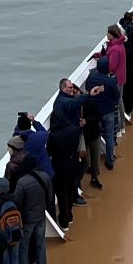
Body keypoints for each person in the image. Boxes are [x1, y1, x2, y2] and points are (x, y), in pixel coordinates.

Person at [46, 82, 85, 227]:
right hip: (72, 163)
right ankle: (69, 216)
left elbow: (50, 151)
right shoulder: (74, 131)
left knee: (61, 194)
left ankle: (64, 219)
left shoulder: (54, 136)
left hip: (59, 166)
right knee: (70, 189)